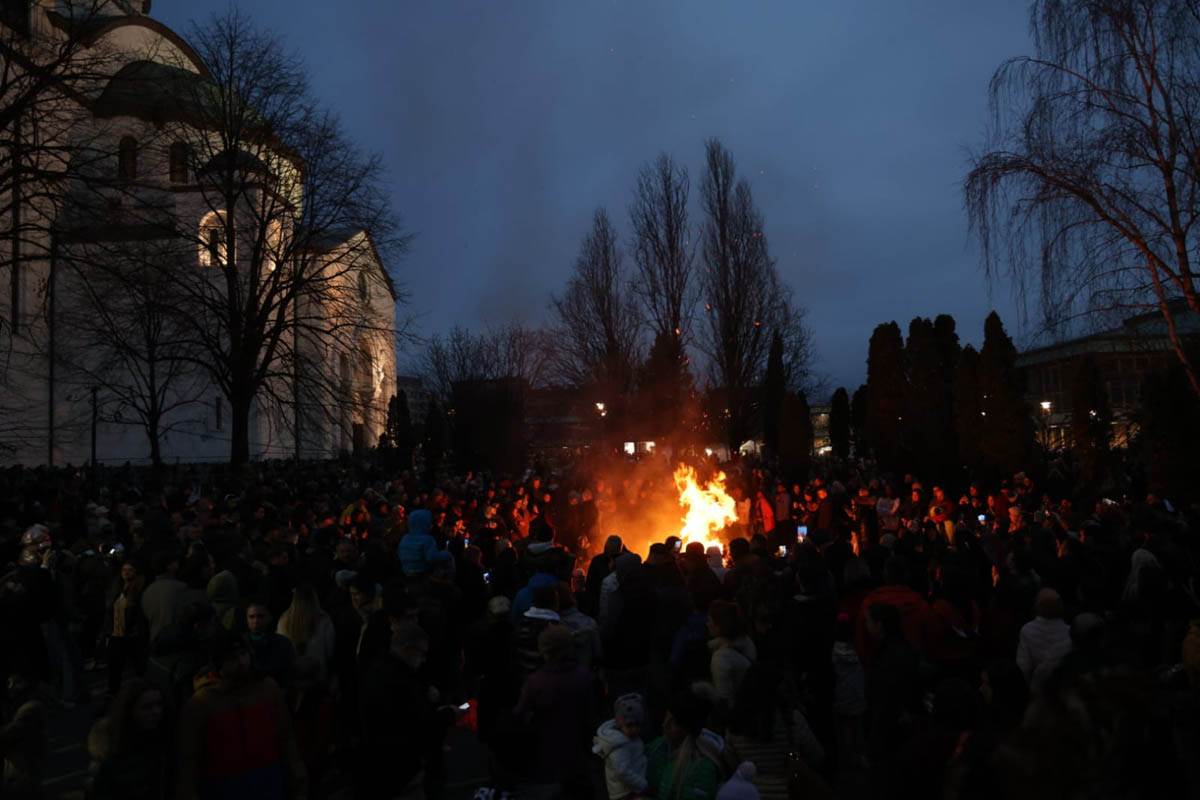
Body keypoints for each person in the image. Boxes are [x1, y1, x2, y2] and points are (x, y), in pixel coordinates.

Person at [175, 632, 307, 800]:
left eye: (243, 654)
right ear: (218, 663)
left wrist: (297, 776)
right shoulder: (202, 703)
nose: (241, 662)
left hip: (268, 781)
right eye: (232, 658)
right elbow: (189, 758)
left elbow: (285, 736)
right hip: (222, 787)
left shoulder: (267, 689)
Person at [358, 622, 452, 799]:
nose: (423, 660)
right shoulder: (399, 681)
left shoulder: (380, 669)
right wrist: (448, 715)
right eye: (422, 653)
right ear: (408, 649)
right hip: (400, 767)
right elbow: (418, 724)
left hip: (381, 763)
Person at [513, 625, 596, 796]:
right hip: (578, 747)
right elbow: (591, 714)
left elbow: (519, 715)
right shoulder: (585, 676)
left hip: (546, 750)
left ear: (544, 650)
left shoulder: (535, 682)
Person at [87, 679, 171, 800]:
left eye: (159, 704)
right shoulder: (112, 752)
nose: (156, 711)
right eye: (147, 707)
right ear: (129, 710)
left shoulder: (165, 739)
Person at [645, 691, 722, 800]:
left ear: (687, 729)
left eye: (674, 722)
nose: (664, 725)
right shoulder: (659, 746)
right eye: (666, 718)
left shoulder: (702, 767)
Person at [104, 559, 148, 697]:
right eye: (124, 570)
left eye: (130, 570)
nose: (126, 573)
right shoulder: (117, 588)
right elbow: (110, 610)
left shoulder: (139, 590)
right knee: (114, 667)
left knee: (138, 666)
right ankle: (113, 693)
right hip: (116, 633)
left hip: (131, 635)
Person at [0, 672, 46, 800]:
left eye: (17, 682)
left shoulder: (31, 709)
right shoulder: (15, 707)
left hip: (24, 774)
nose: (11, 687)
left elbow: (8, 734)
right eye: (9, 682)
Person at [593, 693, 648, 800]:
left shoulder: (629, 738)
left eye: (637, 724)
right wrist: (643, 785)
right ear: (619, 724)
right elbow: (623, 771)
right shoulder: (619, 744)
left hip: (629, 788)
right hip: (625, 792)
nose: (634, 729)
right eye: (629, 725)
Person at [276, 585, 336, 683]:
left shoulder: (283, 620)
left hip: (292, 678)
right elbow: (330, 651)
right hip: (317, 677)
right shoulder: (324, 620)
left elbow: (280, 651)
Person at [1016, 588, 1072, 692]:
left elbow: (1023, 666)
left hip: (1038, 689)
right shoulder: (1070, 631)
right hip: (1065, 690)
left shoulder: (1027, 630)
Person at [245, 602, 296, 688]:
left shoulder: (283, 643)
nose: (256, 621)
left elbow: (290, 671)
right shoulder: (240, 643)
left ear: (269, 618)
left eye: (260, 616)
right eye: (251, 617)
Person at [141, 550, 186, 646]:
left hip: (154, 640)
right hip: (175, 642)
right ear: (169, 566)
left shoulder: (148, 591)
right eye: (175, 562)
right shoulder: (181, 588)